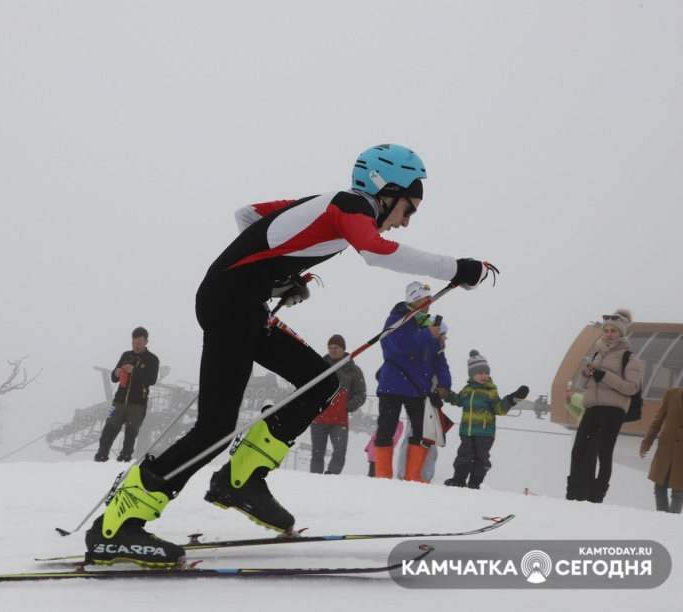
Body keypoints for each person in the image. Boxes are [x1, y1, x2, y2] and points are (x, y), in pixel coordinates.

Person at [84, 143, 496, 567]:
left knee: (321, 381)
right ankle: (117, 526)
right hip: (230, 303)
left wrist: (278, 276)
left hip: (242, 302)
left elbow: (248, 215)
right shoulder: (352, 204)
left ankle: (241, 479)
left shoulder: (327, 205)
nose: (405, 221)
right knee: (214, 427)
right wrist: (459, 268)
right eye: (408, 209)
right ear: (386, 190)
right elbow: (375, 251)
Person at [372, 281, 451, 483]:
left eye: (430, 298)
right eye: (426, 298)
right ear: (414, 299)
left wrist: (444, 384)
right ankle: (382, 475)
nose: (430, 302)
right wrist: (428, 335)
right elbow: (400, 346)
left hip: (417, 389)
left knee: (421, 431)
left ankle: (413, 475)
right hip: (393, 385)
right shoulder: (396, 319)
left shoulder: (427, 325)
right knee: (387, 428)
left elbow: (439, 360)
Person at [566, 310, 642, 503]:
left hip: (614, 410)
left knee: (602, 452)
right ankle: (574, 494)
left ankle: (595, 496)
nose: (608, 334)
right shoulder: (596, 354)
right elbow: (583, 385)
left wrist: (604, 376)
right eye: (606, 330)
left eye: (613, 331)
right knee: (579, 450)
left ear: (621, 333)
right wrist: (586, 373)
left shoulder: (629, 357)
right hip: (593, 407)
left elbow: (632, 387)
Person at [444, 350, 528, 489]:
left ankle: (474, 483)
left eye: (486, 372)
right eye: (480, 373)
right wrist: (445, 394)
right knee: (464, 455)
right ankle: (458, 480)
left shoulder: (490, 392)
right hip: (466, 431)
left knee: (481, 458)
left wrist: (512, 399)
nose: (484, 375)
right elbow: (457, 400)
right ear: (472, 374)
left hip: (485, 433)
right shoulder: (467, 390)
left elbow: (499, 409)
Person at [94, 327, 160, 463]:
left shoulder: (152, 359)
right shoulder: (126, 355)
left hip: (137, 405)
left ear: (146, 342)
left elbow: (152, 380)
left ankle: (124, 460)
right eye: (133, 343)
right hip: (118, 402)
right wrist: (116, 373)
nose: (136, 346)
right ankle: (100, 458)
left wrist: (134, 370)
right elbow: (114, 378)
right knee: (108, 432)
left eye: (139, 343)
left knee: (130, 436)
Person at [308, 334, 366, 475]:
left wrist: (347, 406)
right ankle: (314, 480)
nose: (333, 350)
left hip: (339, 421)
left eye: (336, 347)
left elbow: (361, 393)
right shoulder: (319, 366)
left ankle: (331, 479)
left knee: (339, 453)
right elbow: (308, 387)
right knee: (317, 454)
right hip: (318, 419)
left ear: (343, 349)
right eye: (330, 347)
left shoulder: (354, 370)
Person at [639, 387, 683, 513]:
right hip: (666, 448)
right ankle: (661, 519)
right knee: (659, 487)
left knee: (678, 492)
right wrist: (647, 442)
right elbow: (657, 420)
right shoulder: (672, 394)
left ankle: (669, 522)